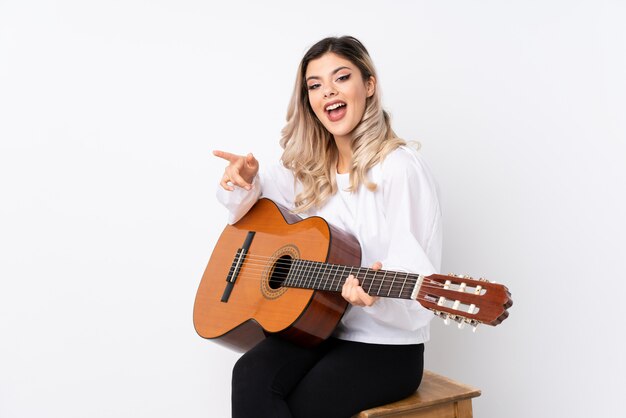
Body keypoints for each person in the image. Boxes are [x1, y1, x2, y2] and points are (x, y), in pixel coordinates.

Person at [214, 36, 442, 418]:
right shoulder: (307, 167)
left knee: (303, 406)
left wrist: (377, 298)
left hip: (384, 346)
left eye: (341, 78)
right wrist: (243, 181)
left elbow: (417, 284)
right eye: (315, 85)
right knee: (250, 373)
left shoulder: (399, 168)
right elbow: (246, 215)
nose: (328, 92)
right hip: (319, 331)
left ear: (368, 86)